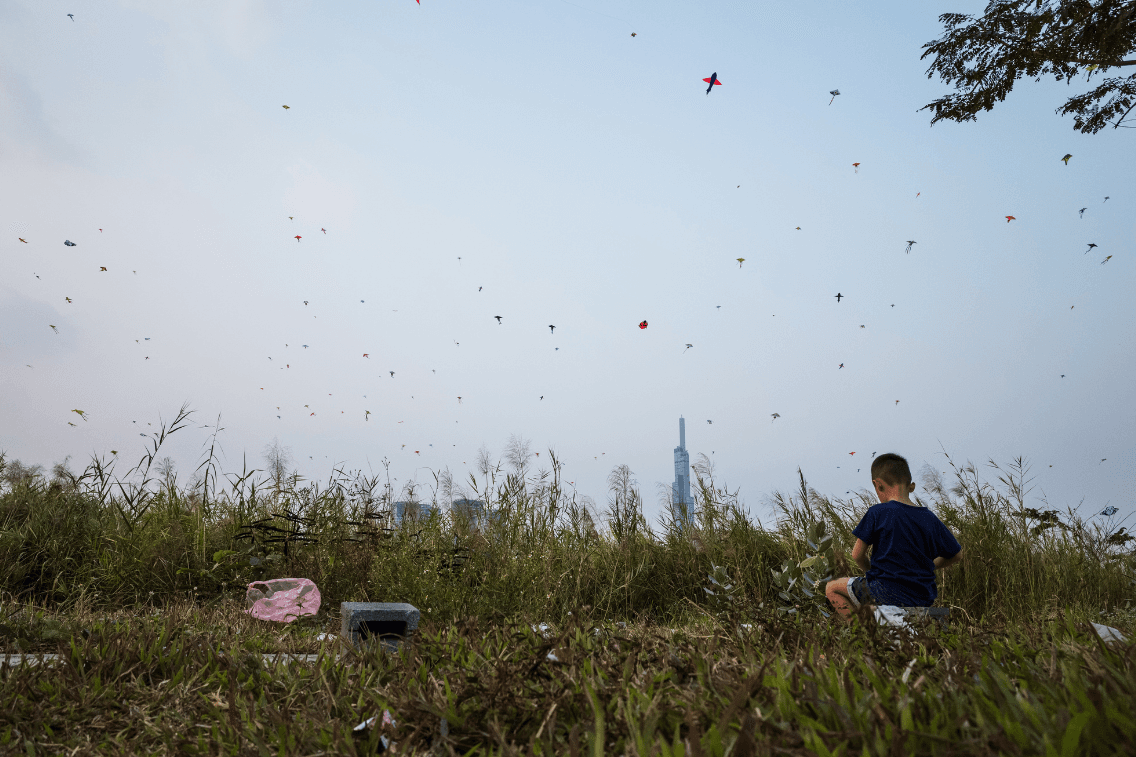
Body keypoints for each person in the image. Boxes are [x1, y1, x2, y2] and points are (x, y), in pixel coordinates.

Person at [825, 453, 963, 619]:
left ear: (878, 485)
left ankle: (861, 632)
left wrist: (872, 572)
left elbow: (857, 555)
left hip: (884, 593)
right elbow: (957, 554)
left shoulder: (877, 512)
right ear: (911, 486)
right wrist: (930, 566)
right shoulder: (929, 518)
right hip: (923, 597)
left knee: (832, 588)